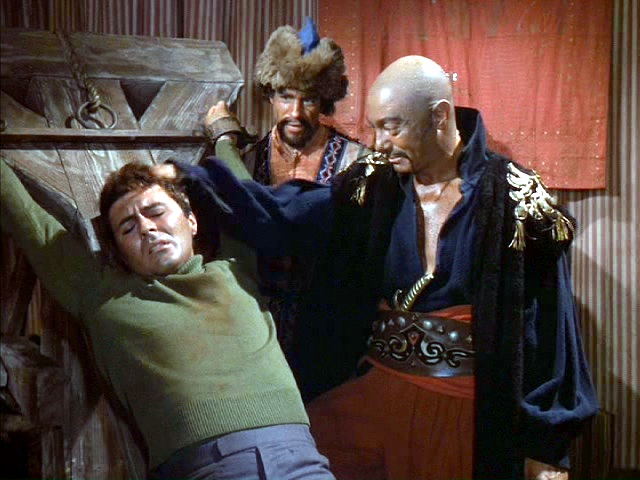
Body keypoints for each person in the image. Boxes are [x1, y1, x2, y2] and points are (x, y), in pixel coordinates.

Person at [175, 55, 599, 480]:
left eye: (392, 127)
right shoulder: (372, 183)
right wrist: (187, 182)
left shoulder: (514, 198)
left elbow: (551, 330)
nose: (379, 143)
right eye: (375, 128)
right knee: (296, 457)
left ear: (440, 116)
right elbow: (287, 215)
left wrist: (548, 451)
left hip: (465, 407)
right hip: (376, 390)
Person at [0, 159, 335, 480]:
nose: (146, 228)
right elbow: (28, 220)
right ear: (121, 254)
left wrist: (217, 142)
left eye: (156, 212)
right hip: (207, 467)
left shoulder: (235, 269)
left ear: (192, 221)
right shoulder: (106, 298)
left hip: (303, 458)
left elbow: (242, 196)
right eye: (128, 228)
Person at [204, 18, 370, 360]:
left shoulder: (357, 163)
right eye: (285, 96)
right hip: (255, 328)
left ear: (325, 101)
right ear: (269, 95)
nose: (295, 112)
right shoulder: (246, 162)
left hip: (327, 329)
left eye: (309, 99)